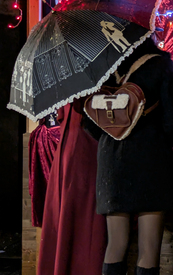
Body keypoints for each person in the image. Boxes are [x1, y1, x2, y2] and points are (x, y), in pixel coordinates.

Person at [85, 37, 173, 275]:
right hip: (151, 157)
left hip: (111, 159)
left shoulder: (104, 65)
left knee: (115, 245)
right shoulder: (161, 63)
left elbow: (89, 123)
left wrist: (115, 136)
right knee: (149, 250)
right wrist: (158, 141)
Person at [37, 101, 107, 275]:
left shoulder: (69, 78)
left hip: (69, 144)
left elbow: (60, 114)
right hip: (86, 145)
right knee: (85, 218)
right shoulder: (95, 79)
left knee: (68, 214)